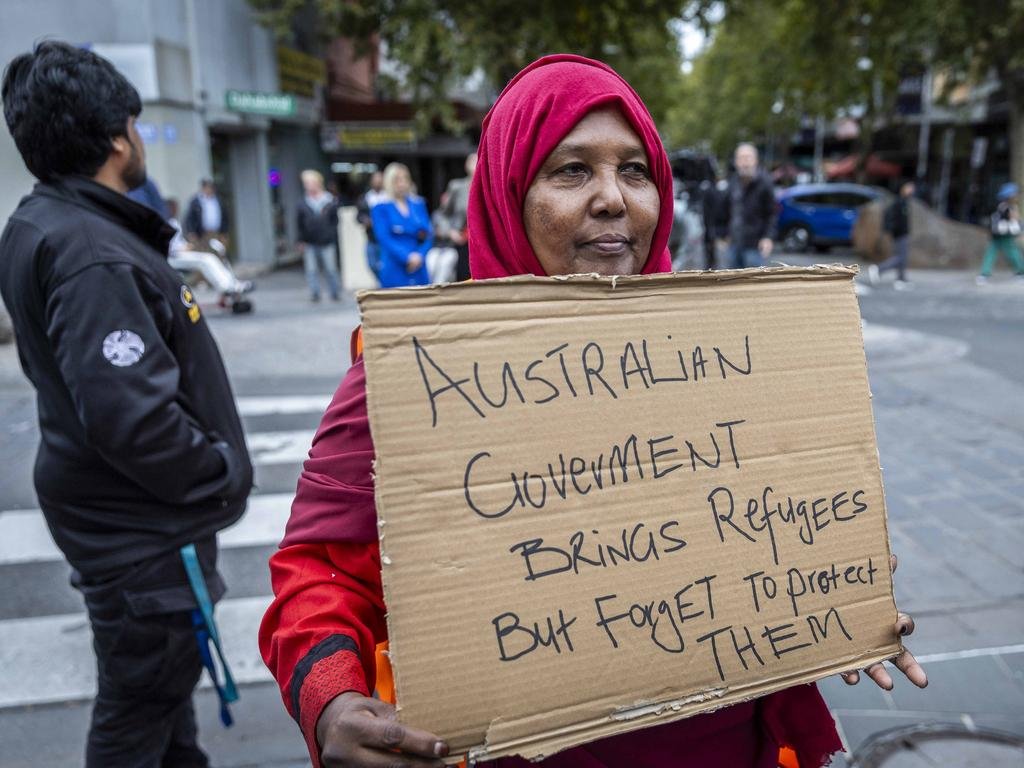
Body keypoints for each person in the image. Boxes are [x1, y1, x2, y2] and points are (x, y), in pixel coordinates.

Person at [258, 55, 927, 768]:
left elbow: (773, 523)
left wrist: (833, 586)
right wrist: (332, 699)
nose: (613, 198)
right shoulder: (414, 377)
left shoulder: (727, 355)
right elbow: (318, 576)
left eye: (635, 170)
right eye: (572, 170)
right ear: (509, 191)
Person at [0, 41, 253, 767]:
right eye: (135, 126)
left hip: (126, 526)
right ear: (117, 136)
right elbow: (131, 417)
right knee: (138, 712)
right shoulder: (92, 251)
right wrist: (220, 472)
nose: (139, 139)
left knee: (161, 710)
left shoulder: (45, 223)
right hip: (145, 535)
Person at [166, 198, 254, 313]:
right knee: (205, 260)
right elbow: (167, 246)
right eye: (173, 208)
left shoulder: (174, 222)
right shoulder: (164, 223)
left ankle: (231, 284)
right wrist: (183, 248)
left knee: (212, 256)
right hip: (172, 257)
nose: (175, 210)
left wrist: (188, 246)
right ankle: (225, 287)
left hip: (181, 252)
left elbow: (179, 242)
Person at [369, 162, 432, 288]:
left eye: (405, 179)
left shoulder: (418, 204)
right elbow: (384, 238)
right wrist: (407, 257)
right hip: (394, 264)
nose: (402, 184)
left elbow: (429, 234)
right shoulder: (380, 208)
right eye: (397, 180)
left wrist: (420, 255)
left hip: (419, 265)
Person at [721, 143, 776, 268]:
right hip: (733, 244)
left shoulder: (765, 183)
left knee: (752, 284)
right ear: (736, 162)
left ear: (755, 160)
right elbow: (724, 209)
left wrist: (768, 237)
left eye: (748, 157)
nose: (745, 162)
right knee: (732, 283)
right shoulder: (733, 182)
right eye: (741, 158)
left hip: (754, 246)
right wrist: (723, 233)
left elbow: (772, 213)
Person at [297, 169, 342, 302]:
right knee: (311, 270)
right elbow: (299, 223)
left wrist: (331, 234)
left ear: (318, 183)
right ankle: (315, 293)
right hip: (310, 241)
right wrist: (300, 240)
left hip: (327, 241)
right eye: (306, 183)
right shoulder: (302, 203)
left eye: (311, 182)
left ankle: (335, 292)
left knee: (331, 268)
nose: (309, 186)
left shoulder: (330, 201)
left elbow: (335, 221)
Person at [868, 180, 915, 290]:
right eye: (909, 187)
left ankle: (901, 279)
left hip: (902, 233)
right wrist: (894, 229)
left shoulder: (904, 202)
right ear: (903, 189)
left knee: (902, 258)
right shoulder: (899, 202)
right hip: (899, 233)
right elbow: (893, 218)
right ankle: (879, 269)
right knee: (900, 257)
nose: (912, 190)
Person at [976, 182, 1024, 285]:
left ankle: (984, 274)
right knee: (1011, 253)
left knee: (994, 253)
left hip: (998, 234)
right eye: (1014, 194)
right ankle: (1020, 272)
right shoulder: (1008, 207)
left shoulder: (1000, 206)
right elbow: (1014, 219)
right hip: (1004, 234)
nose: (1016, 196)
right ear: (1010, 195)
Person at [439, 152, 477, 281]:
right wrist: (450, 232)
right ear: (466, 165)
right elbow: (442, 215)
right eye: (472, 161)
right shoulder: (456, 186)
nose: (476, 164)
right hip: (461, 242)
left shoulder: (490, 185)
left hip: (480, 241)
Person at [185, 177, 230, 253]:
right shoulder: (196, 201)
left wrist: (224, 232)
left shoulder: (218, 200)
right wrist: (191, 232)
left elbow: (225, 217)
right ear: (203, 188)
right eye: (208, 187)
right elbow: (190, 218)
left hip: (216, 233)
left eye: (211, 187)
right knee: (203, 254)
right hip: (201, 234)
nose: (210, 189)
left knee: (218, 253)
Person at [356, 170, 386, 279]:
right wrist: (365, 220)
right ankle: (383, 282)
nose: (378, 181)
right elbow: (358, 216)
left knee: (386, 265)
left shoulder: (388, 197)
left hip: (385, 238)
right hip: (371, 237)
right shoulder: (365, 198)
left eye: (380, 179)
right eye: (376, 179)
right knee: (372, 264)